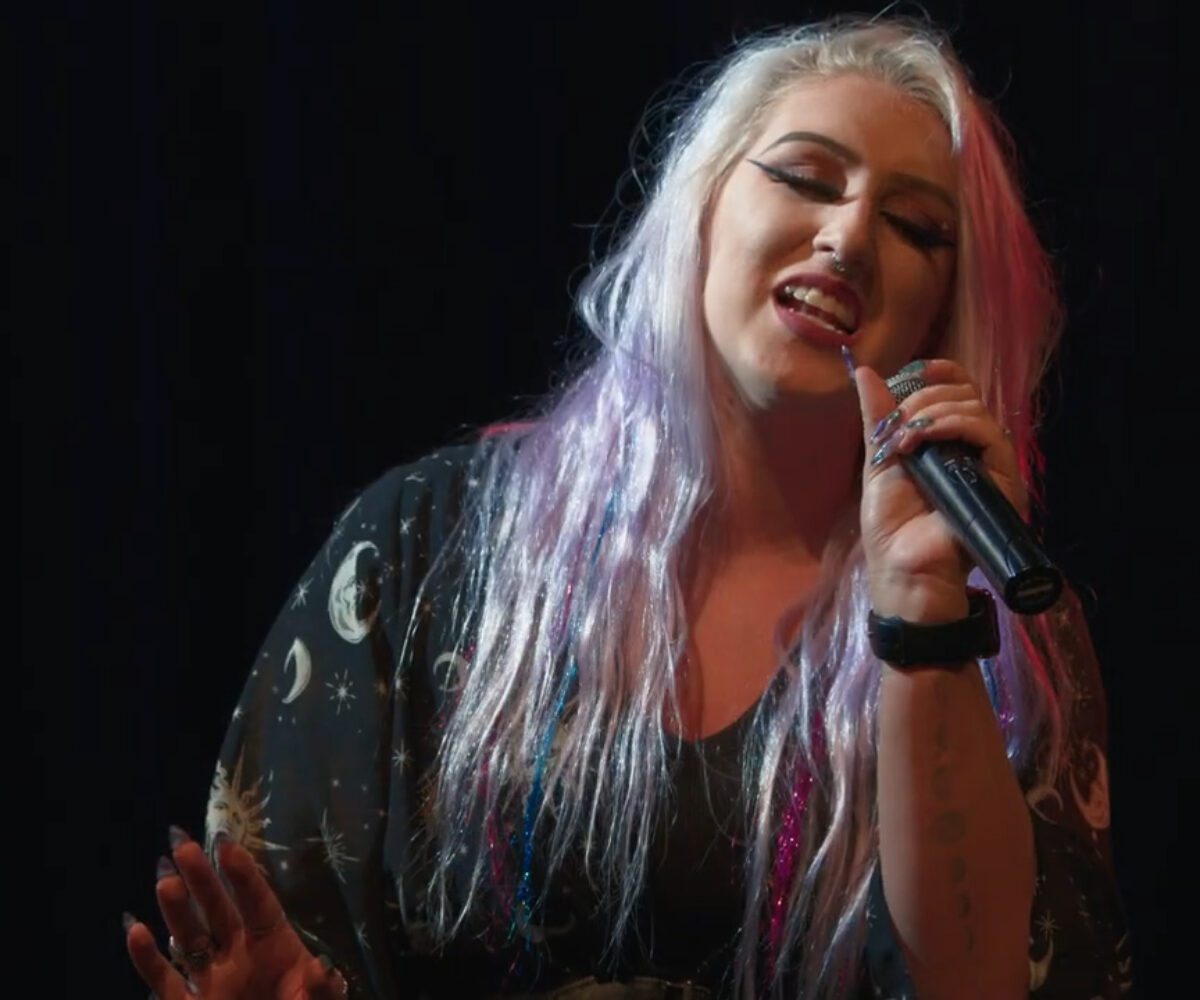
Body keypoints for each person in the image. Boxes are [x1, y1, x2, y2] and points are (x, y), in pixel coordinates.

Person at [125, 15, 1131, 999]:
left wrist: (926, 630)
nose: (848, 235)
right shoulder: (433, 544)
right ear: (699, 208)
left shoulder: (1003, 635)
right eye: (804, 178)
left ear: (946, 312)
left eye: (915, 227)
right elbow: (289, 913)